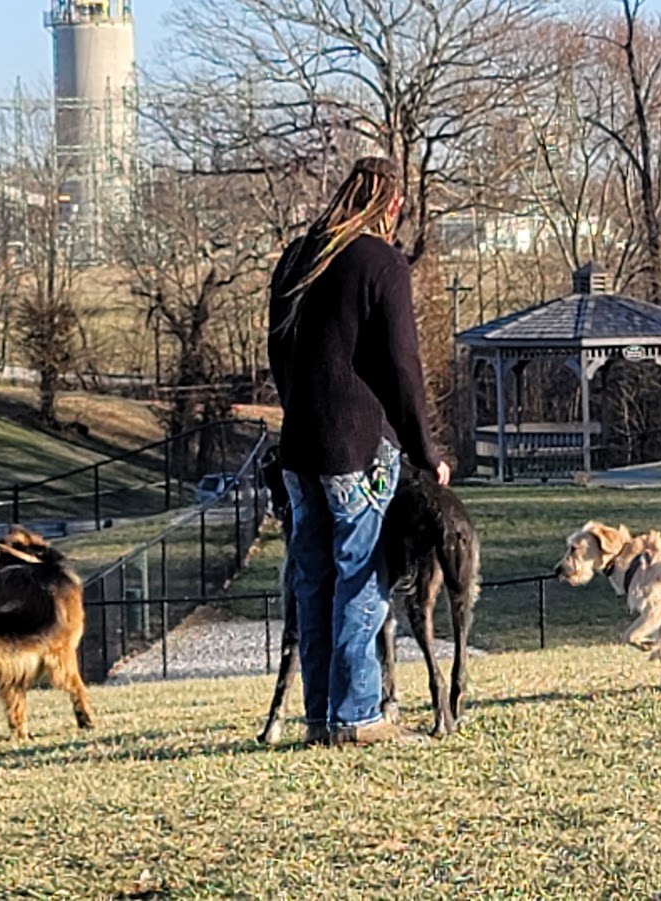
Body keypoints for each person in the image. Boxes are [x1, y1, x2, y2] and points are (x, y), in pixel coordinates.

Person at [268, 156, 450, 747]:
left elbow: (278, 352)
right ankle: (358, 716)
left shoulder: (299, 257)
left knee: (313, 581)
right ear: (392, 207)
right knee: (361, 579)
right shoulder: (381, 263)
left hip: (299, 447)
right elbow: (403, 366)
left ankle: (320, 716)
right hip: (356, 449)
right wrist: (426, 448)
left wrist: (298, 408)